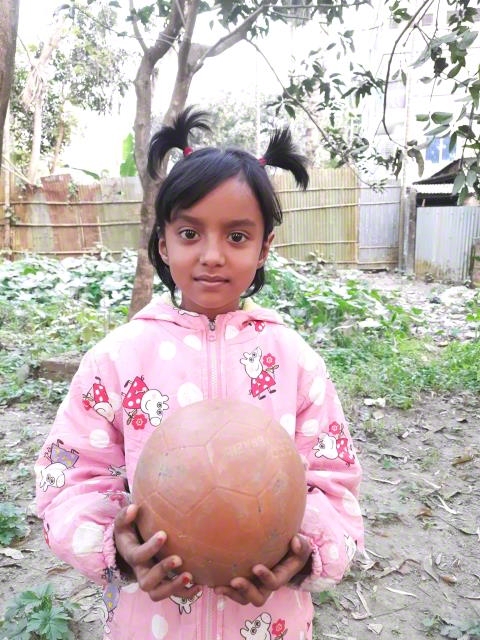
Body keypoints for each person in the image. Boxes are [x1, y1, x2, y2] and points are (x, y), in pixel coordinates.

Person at [35, 107, 364, 639]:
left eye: (237, 237)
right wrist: (116, 546)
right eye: (190, 233)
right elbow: (67, 476)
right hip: (150, 622)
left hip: (269, 622)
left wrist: (305, 554)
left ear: (264, 248)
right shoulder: (118, 360)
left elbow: (334, 483)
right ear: (163, 243)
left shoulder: (296, 363)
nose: (212, 255)